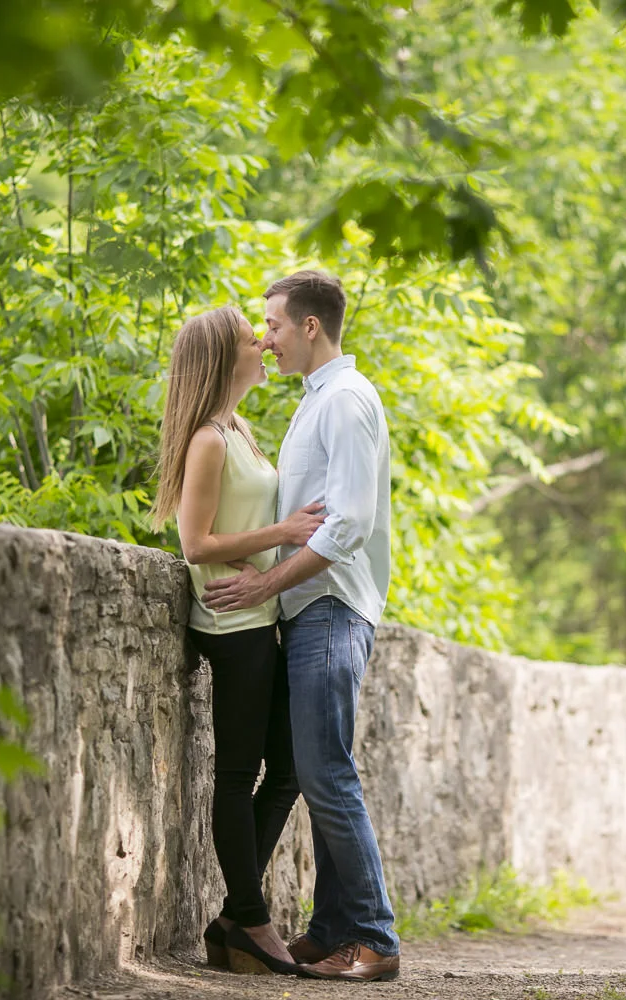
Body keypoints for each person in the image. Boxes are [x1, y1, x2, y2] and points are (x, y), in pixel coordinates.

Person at [202, 271, 400, 982]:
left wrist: (261, 582)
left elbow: (349, 524)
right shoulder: (318, 403)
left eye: (276, 326)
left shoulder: (345, 402)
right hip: (309, 608)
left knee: (327, 775)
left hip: (330, 607)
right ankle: (330, 929)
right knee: (317, 774)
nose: (266, 339)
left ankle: (375, 938)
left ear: (310, 326)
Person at [152, 305, 327, 976]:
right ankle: (250, 921)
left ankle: (234, 917)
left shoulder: (240, 429)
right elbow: (195, 543)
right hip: (231, 623)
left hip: (262, 618)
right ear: (227, 360)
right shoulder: (208, 440)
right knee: (238, 775)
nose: (265, 344)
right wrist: (282, 537)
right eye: (253, 340)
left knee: (286, 770)